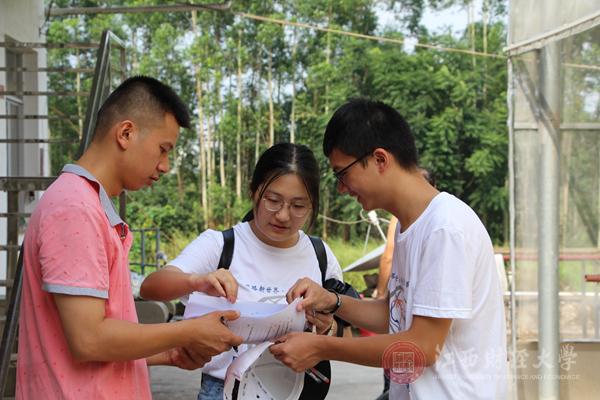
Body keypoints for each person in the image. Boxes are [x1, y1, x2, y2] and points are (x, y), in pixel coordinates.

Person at [17, 76, 243, 400]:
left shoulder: (88, 204)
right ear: (125, 133)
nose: (165, 166)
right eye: (163, 150)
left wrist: (168, 353)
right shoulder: (74, 208)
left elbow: (89, 340)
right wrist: (189, 330)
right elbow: (88, 339)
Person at [270, 99, 507, 399]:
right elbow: (394, 314)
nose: (342, 188)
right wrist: (331, 301)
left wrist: (320, 347)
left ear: (380, 159)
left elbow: (422, 347)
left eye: (342, 173)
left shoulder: (445, 228)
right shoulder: (411, 226)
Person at [140, 142, 344, 400]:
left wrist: (328, 328)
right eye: (273, 200)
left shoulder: (320, 254)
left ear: (313, 204)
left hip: (295, 390)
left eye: (298, 206)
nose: (283, 215)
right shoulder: (221, 244)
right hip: (223, 389)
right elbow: (151, 287)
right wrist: (197, 281)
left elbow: (342, 332)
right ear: (253, 191)